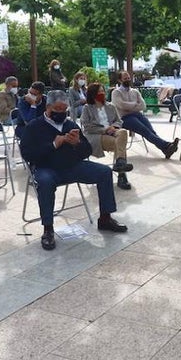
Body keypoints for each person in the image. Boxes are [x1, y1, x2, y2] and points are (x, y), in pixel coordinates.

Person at [19, 90, 129, 251]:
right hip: (46, 168)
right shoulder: (34, 127)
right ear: (48, 108)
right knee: (45, 181)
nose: (61, 113)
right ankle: (48, 229)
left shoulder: (70, 125)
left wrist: (77, 143)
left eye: (65, 110)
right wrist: (53, 145)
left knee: (104, 172)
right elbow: (28, 154)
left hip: (72, 166)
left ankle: (105, 218)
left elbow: (86, 151)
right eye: (58, 109)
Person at [110, 70, 179, 158]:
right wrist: (135, 104)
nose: (127, 80)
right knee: (145, 131)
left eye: (128, 78)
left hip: (137, 115)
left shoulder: (135, 91)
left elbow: (143, 105)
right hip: (124, 118)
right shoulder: (116, 92)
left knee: (151, 131)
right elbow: (121, 105)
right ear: (120, 80)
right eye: (125, 78)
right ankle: (167, 146)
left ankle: (166, 149)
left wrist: (130, 106)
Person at [81, 82, 134, 190]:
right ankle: (122, 174)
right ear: (93, 94)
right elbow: (87, 127)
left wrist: (113, 127)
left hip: (114, 132)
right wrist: (105, 130)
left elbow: (119, 121)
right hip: (96, 135)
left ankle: (120, 163)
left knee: (123, 132)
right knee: (120, 144)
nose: (102, 93)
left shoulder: (111, 106)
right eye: (99, 91)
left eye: (103, 91)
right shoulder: (87, 108)